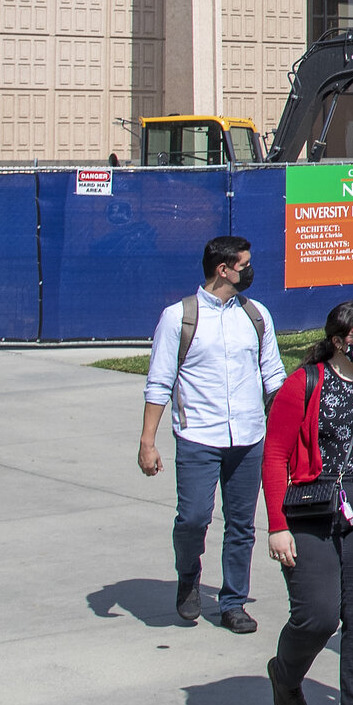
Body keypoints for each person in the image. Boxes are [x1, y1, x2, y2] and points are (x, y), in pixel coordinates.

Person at [261, 301, 353, 705]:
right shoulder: (303, 383)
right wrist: (277, 526)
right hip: (309, 510)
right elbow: (275, 455)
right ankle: (286, 672)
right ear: (338, 341)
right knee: (317, 616)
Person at [137, 235, 285, 633]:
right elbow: (159, 381)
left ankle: (233, 601)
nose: (250, 270)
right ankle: (189, 576)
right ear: (224, 270)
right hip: (198, 437)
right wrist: (147, 441)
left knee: (241, 524)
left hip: (249, 438)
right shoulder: (179, 317)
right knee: (194, 518)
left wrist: (292, 425)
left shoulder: (256, 316)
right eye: (244, 264)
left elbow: (273, 376)